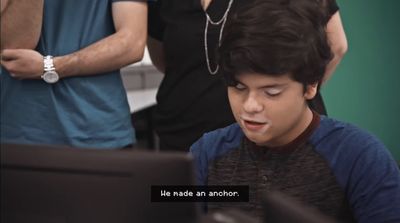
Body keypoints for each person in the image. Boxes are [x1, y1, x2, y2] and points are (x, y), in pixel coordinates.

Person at [190, 0, 400, 222]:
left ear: (311, 85)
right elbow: (167, 202)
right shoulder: (206, 153)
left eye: (271, 92)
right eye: (239, 87)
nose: (250, 106)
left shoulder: (360, 157)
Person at [147, 0, 347, 151]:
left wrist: (284, 98)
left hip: (269, 146)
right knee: (174, 199)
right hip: (182, 135)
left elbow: (335, 45)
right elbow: (165, 59)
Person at [0, 0, 147, 149]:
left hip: (97, 129)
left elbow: (132, 43)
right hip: (21, 127)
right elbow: (14, 49)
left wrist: (50, 66)